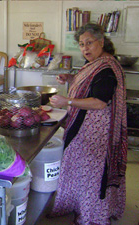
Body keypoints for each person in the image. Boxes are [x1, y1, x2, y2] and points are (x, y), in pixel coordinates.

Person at [48, 23, 128, 225]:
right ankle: (73, 204)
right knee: (77, 168)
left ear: (101, 42)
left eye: (89, 43)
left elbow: (99, 101)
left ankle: (91, 215)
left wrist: (67, 101)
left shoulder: (107, 68)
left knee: (91, 174)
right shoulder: (96, 63)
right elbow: (90, 84)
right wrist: (70, 78)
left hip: (97, 131)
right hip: (83, 127)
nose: (85, 48)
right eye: (82, 44)